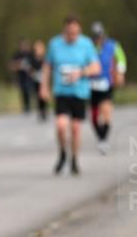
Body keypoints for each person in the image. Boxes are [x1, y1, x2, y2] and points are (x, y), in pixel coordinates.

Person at [40, 15, 101, 176]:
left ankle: (74, 159)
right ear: (64, 30)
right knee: (60, 126)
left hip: (79, 92)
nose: (72, 36)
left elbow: (96, 67)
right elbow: (47, 67)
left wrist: (81, 72)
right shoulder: (55, 44)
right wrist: (44, 87)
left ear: (79, 31)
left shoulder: (86, 44)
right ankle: (62, 153)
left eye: (75, 33)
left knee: (75, 128)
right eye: (69, 33)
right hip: (61, 92)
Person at [88, 21, 127, 154]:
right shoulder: (88, 46)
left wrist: (120, 73)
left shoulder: (112, 45)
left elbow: (121, 58)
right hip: (91, 84)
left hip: (107, 83)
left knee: (106, 112)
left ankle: (103, 139)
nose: (97, 39)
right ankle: (100, 137)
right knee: (93, 116)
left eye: (99, 35)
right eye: (95, 36)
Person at [10, 39, 35, 114]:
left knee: (28, 90)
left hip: (29, 76)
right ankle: (25, 107)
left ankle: (29, 106)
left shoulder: (30, 54)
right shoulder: (17, 54)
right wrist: (19, 65)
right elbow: (11, 65)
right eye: (22, 45)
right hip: (20, 76)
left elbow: (35, 65)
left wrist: (31, 69)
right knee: (23, 91)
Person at [30, 39, 48, 122]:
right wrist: (33, 73)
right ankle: (40, 111)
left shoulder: (46, 58)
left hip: (44, 79)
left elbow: (48, 68)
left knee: (43, 96)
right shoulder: (33, 59)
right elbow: (31, 69)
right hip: (36, 79)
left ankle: (44, 111)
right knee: (38, 96)